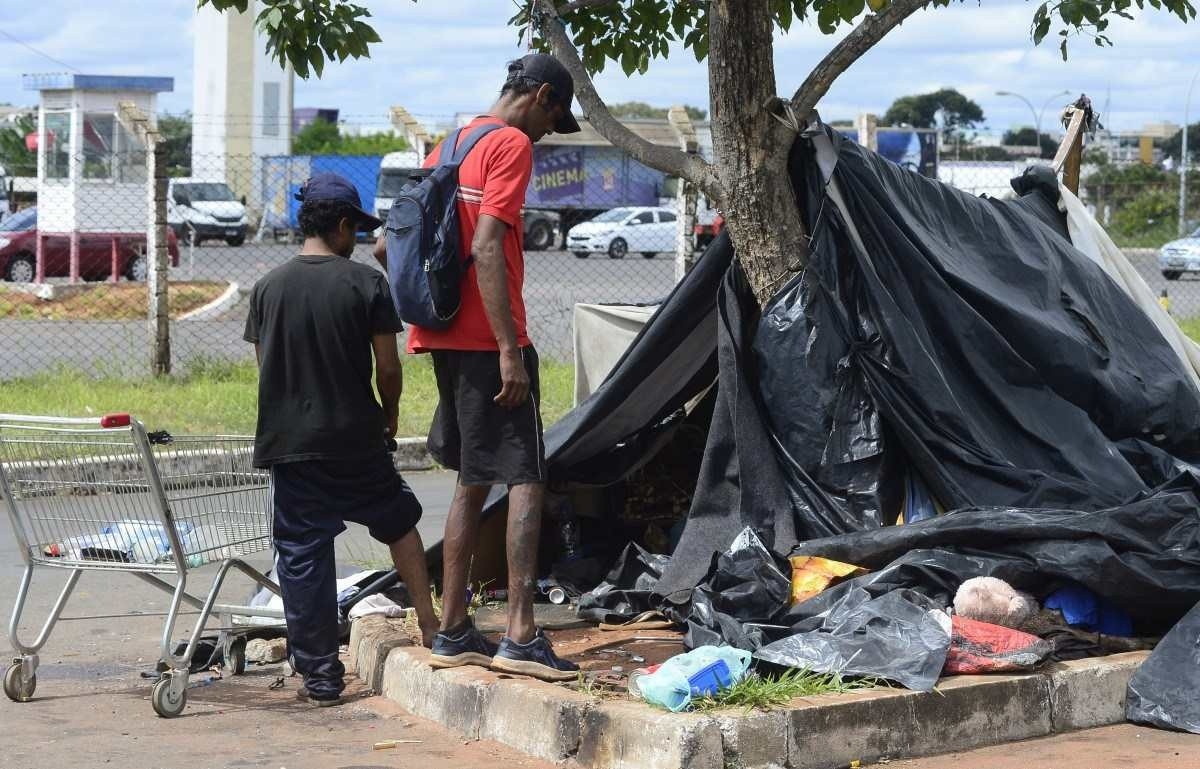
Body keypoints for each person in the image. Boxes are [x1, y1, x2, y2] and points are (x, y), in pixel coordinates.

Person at [374, 53, 581, 682]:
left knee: (472, 476)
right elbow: (488, 245)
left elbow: (388, 245)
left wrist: (437, 310)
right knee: (525, 477)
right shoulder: (511, 144)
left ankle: (456, 627)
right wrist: (507, 351)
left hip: (439, 338)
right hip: (490, 343)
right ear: (540, 95)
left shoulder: (453, 141)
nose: (549, 133)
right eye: (553, 117)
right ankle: (520, 634)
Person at [245, 173, 439, 706]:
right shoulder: (365, 284)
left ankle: (321, 678)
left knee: (304, 557)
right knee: (399, 521)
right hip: (356, 440)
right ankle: (429, 622)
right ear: (341, 225)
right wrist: (391, 414)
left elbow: (267, 371)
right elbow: (388, 366)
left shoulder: (267, 287)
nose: (356, 239)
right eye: (355, 229)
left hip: (290, 446)